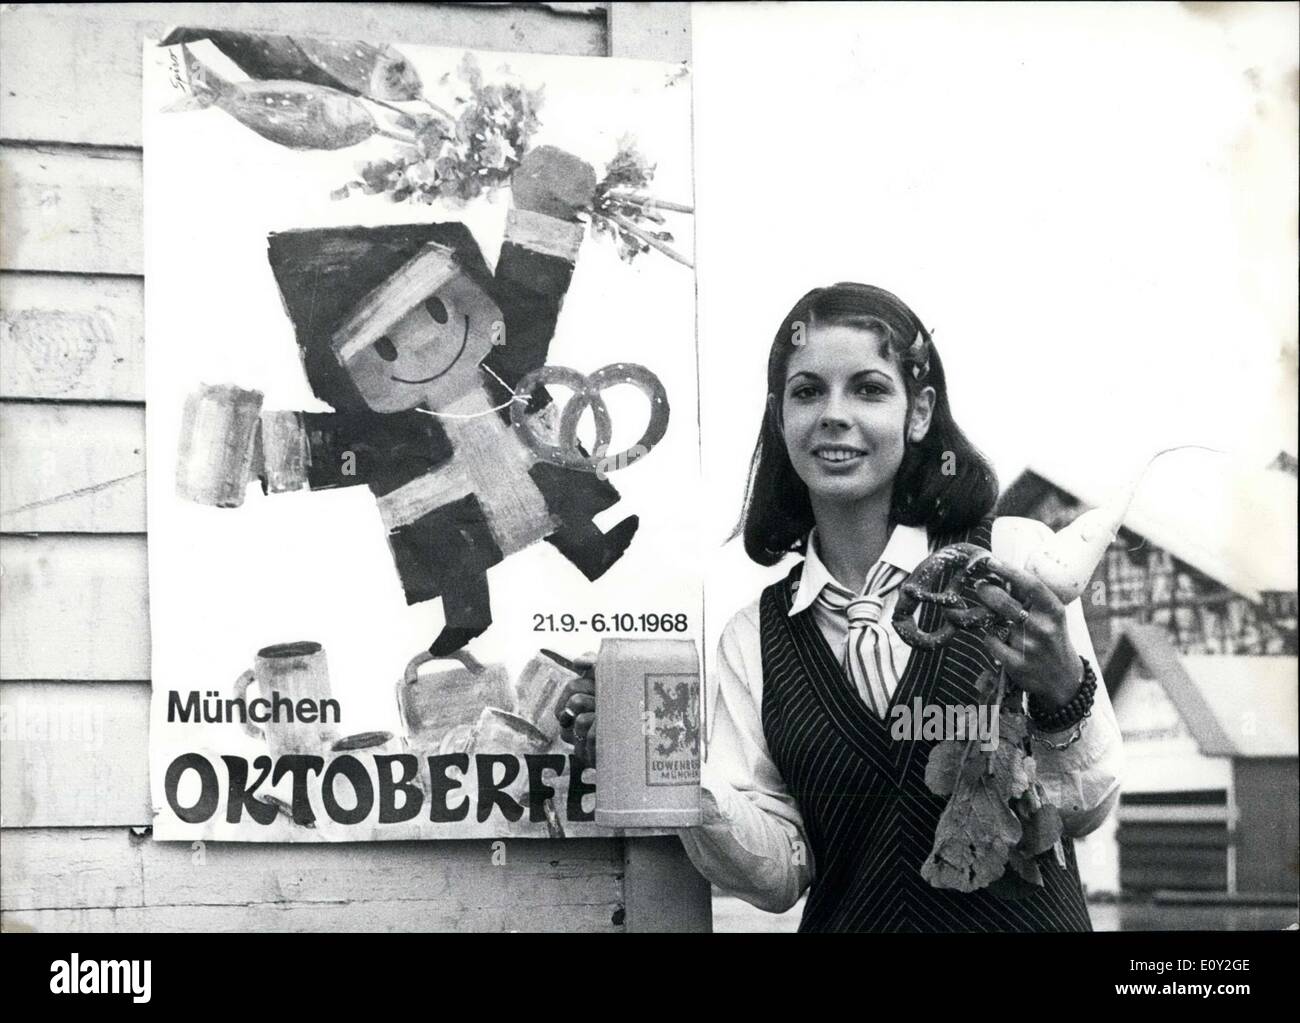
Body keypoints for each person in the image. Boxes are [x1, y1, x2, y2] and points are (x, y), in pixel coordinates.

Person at [556, 282, 1123, 932]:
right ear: (780, 418)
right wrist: (665, 758)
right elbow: (778, 874)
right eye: (807, 391)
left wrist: (1062, 692)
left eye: (868, 388)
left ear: (918, 413)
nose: (833, 412)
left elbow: (1083, 809)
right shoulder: (753, 637)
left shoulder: (1013, 562)